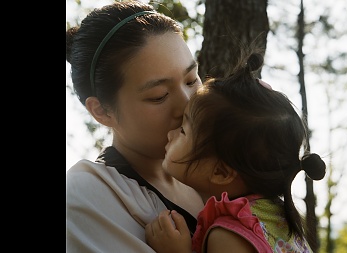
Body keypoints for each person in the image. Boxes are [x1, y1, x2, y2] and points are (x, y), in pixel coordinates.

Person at [145, 49, 327, 253]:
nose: (171, 133)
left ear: (220, 172)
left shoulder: (229, 236)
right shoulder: (275, 217)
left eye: (183, 131)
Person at [66, 1, 204, 252]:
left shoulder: (218, 173)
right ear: (102, 111)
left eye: (191, 80)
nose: (188, 105)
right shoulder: (88, 197)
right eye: (159, 95)